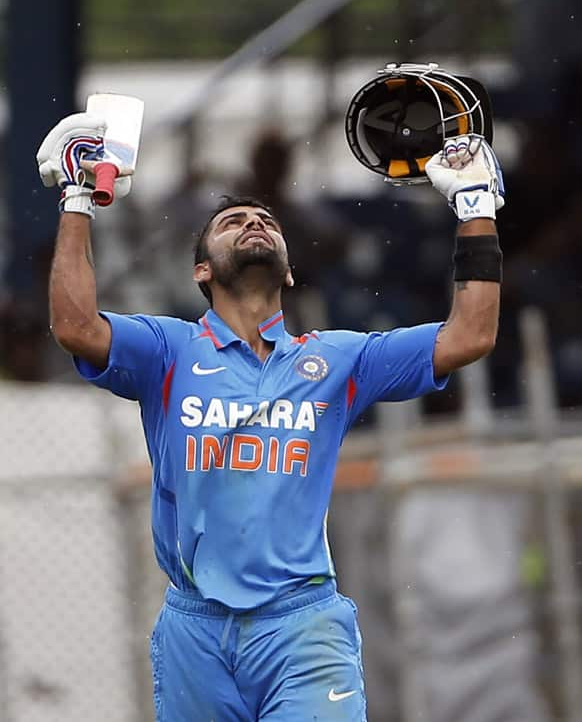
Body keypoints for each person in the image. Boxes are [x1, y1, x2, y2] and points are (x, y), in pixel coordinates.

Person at [37, 113, 504, 721]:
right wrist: (78, 200)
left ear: (287, 269)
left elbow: (471, 334)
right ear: (202, 270)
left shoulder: (338, 359)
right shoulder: (168, 350)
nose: (254, 224)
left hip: (302, 625)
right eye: (233, 223)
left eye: (266, 222)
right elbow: (75, 326)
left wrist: (476, 210)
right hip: (194, 630)